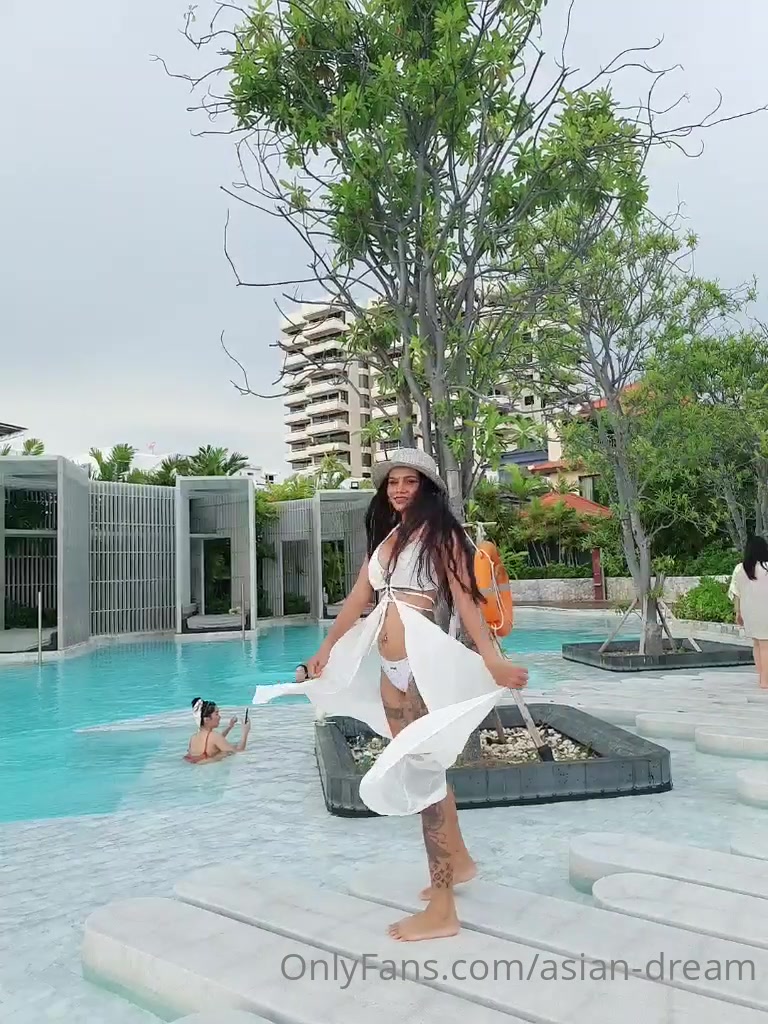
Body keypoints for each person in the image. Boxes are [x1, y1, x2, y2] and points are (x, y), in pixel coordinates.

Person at [252, 448, 528, 942]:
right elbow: (359, 599)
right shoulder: (389, 539)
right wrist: (324, 651)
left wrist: (491, 660)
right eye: (392, 482)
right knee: (422, 771)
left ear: (427, 488)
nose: (399, 489)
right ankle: (460, 863)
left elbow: (466, 602)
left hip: (421, 668)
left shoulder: (443, 536)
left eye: (409, 481)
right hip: (391, 671)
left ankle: (442, 910)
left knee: (423, 777)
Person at [730, 535, 768, 689]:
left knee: (757, 644)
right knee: (765, 645)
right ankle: (765, 681)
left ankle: (761, 677)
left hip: (749, 613)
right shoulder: (766, 568)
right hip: (765, 611)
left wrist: (737, 613)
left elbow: (736, 593)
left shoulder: (740, 569)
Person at [183, 698, 250, 763]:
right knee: (229, 750)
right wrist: (245, 732)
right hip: (211, 769)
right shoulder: (214, 736)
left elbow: (217, 741)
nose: (219, 717)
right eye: (216, 714)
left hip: (200, 768)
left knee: (223, 752)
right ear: (206, 719)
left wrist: (230, 727)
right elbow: (239, 751)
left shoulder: (193, 738)